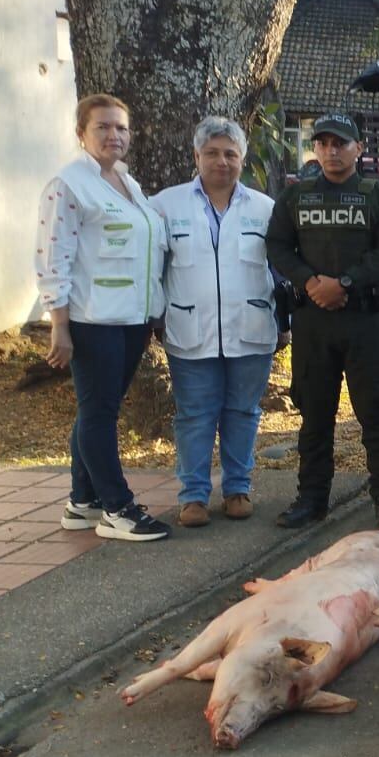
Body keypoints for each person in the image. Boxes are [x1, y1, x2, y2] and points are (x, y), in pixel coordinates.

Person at [36, 94, 171, 542]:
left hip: (131, 319)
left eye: (121, 128)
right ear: (81, 133)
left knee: (96, 409)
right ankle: (117, 508)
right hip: (92, 320)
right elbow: (53, 256)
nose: (114, 135)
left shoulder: (126, 183)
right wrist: (59, 324)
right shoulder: (69, 184)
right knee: (99, 413)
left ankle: (83, 501)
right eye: (103, 127)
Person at [265, 112, 379, 530]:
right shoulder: (295, 197)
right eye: (323, 143)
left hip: (366, 321)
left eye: (340, 143)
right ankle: (311, 499)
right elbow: (277, 246)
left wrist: (344, 282)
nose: (331, 151)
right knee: (315, 415)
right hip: (313, 321)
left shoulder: (377, 196)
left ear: (358, 149)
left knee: (376, 412)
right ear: (316, 149)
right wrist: (309, 281)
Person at [150, 117, 286, 528]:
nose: (221, 161)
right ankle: (192, 496)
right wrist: (154, 320)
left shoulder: (265, 208)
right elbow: (154, 269)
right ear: (196, 156)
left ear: (242, 158)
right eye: (212, 153)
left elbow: (282, 271)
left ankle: (237, 489)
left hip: (252, 329)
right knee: (194, 415)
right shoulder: (165, 205)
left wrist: (286, 322)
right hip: (189, 331)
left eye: (230, 153)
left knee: (243, 412)